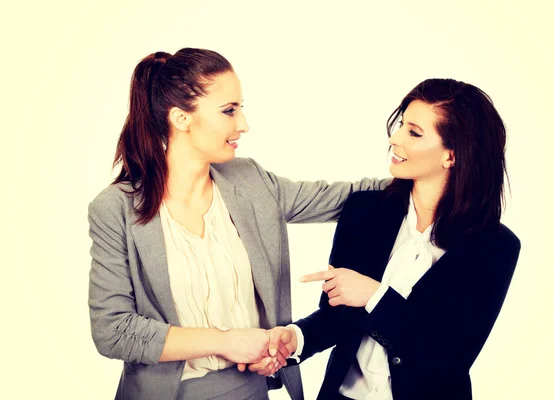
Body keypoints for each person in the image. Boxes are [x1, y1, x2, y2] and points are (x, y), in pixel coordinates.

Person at [87, 47, 388, 400]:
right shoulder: (115, 208)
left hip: (249, 390)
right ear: (181, 118)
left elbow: (347, 197)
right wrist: (226, 341)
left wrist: (423, 175)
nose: (243, 124)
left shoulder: (250, 181)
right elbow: (113, 331)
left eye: (240, 108)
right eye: (229, 111)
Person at [254, 78, 521, 399]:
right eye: (400, 125)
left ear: (451, 155)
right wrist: (296, 338)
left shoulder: (494, 247)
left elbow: (450, 356)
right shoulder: (364, 211)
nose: (394, 139)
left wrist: (375, 295)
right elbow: (337, 318)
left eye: (414, 132)